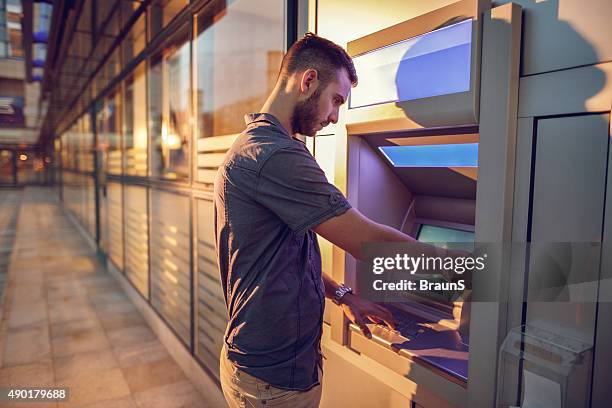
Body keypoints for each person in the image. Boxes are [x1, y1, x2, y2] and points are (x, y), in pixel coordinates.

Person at [214, 32, 451, 408]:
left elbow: (281, 257)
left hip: (264, 371)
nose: (335, 116)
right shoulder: (275, 156)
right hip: (272, 383)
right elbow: (370, 241)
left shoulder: (257, 145)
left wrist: (344, 295)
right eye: (336, 99)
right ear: (307, 81)